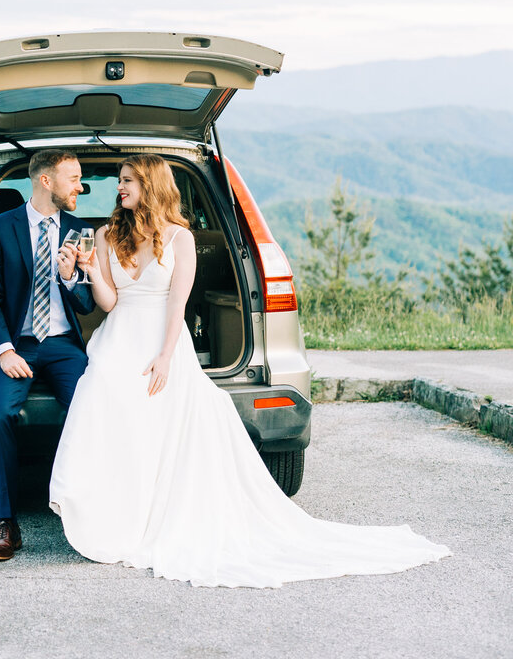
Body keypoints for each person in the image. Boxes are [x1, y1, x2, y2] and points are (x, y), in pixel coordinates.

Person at [49, 155, 451, 588]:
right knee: (116, 418)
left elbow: (176, 305)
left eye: (127, 180)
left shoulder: (181, 238)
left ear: (151, 185)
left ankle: (154, 515)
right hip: (118, 339)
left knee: (159, 425)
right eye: (121, 181)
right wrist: (89, 272)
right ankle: (118, 513)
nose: (120, 188)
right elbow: (110, 302)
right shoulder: (108, 235)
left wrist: (166, 355)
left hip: (162, 341)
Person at [0, 149, 95, 561]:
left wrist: (71, 277)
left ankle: (89, 510)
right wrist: (3, 350)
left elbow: (87, 305)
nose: (81, 186)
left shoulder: (80, 229)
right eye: (73, 178)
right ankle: (7, 522)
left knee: (90, 409)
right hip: (13, 344)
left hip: (62, 344)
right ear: (46, 181)